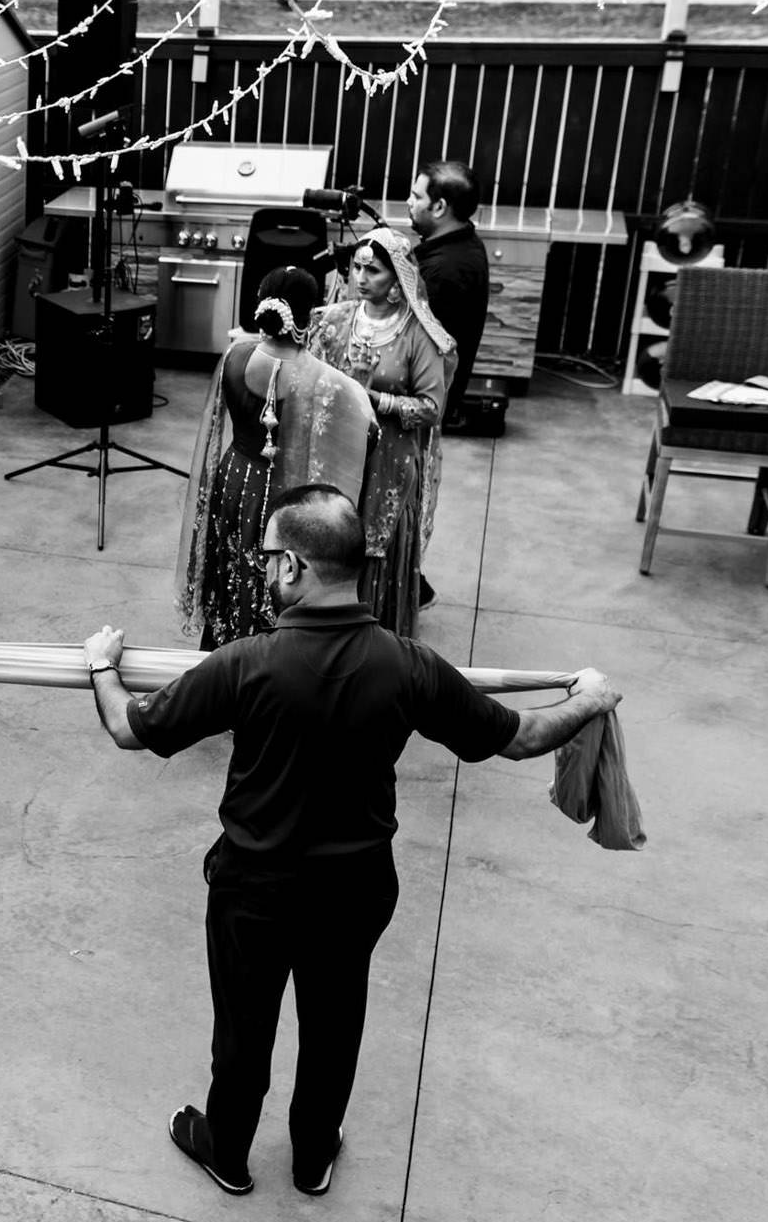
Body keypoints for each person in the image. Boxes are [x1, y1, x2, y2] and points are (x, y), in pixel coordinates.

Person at [83, 484, 620, 1198]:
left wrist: (100, 662)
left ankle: (230, 1153)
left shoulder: (247, 662)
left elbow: (130, 727)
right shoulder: (407, 665)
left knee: (243, 1033)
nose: (265, 571)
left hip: (254, 890)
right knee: (334, 1031)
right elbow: (520, 737)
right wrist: (590, 697)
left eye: (270, 558)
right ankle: (311, 1161)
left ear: (297, 567)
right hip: (354, 888)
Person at [177, 267, 377, 650]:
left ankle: (225, 646)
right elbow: (368, 435)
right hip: (288, 493)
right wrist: (361, 386)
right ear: (309, 318)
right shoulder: (326, 380)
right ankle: (273, 653)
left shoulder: (233, 358)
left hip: (236, 478)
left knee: (234, 567)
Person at [305, 229, 455, 636]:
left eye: (373, 270)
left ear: (398, 279)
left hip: (390, 463)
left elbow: (431, 408)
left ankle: (376, 644)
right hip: (340, 454)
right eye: (356, 267)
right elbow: (311, 378)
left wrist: (377, 401)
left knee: (378, 551)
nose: (360, 278)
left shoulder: (418, 335)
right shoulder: (336, 320)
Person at [406, 160, 490, 427]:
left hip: (419, 408)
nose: (409, 202)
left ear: (440, 207)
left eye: (417, 196)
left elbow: (413, 347)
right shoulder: (465, 242)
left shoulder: (446, 272)